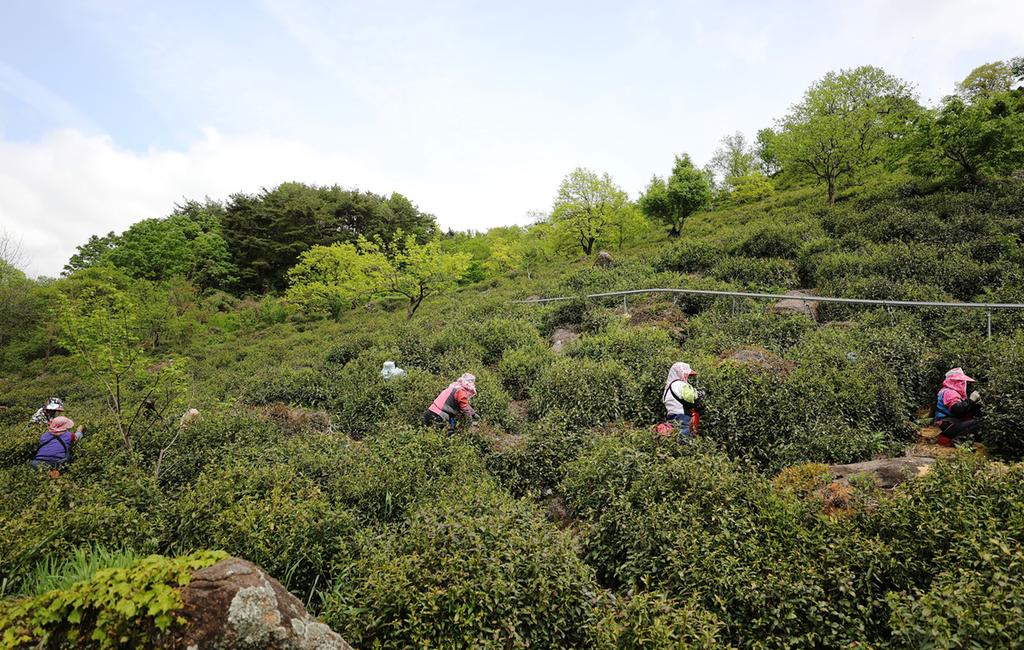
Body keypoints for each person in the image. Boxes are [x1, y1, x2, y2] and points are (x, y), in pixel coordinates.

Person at [934, 367, 982, 447]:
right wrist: (971, 400)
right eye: (960, 382)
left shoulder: (951, 392)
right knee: (979, 423)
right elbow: (958, 409)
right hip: (949, 424)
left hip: (950, 423)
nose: (962, 384)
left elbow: (965, 410)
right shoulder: (949, 392)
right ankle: (959, 440)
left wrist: (975, 405)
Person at [662, 362, 704, 443]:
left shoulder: (667, 388)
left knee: (674, 438)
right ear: (680, 372)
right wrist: (698, 394)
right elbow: (689, 396)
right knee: (685, 439)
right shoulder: (680, 384)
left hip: (671, 416)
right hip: (683, 416)